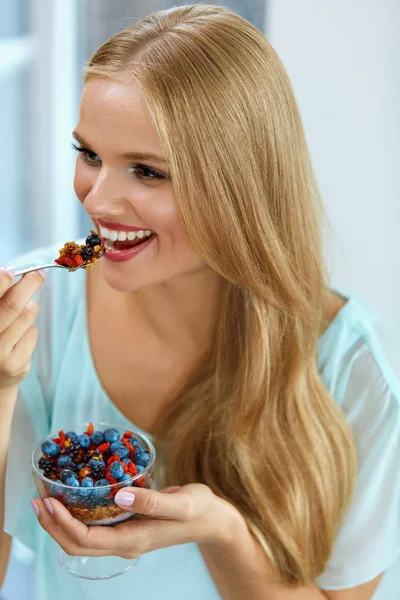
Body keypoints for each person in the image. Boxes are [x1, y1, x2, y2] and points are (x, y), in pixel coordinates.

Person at [0, 5, 399, 600]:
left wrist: (223, 534)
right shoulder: (42, 319)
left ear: (240, 187)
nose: (98, 199)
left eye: (147, 172)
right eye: (89, 155)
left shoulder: (350, 369)